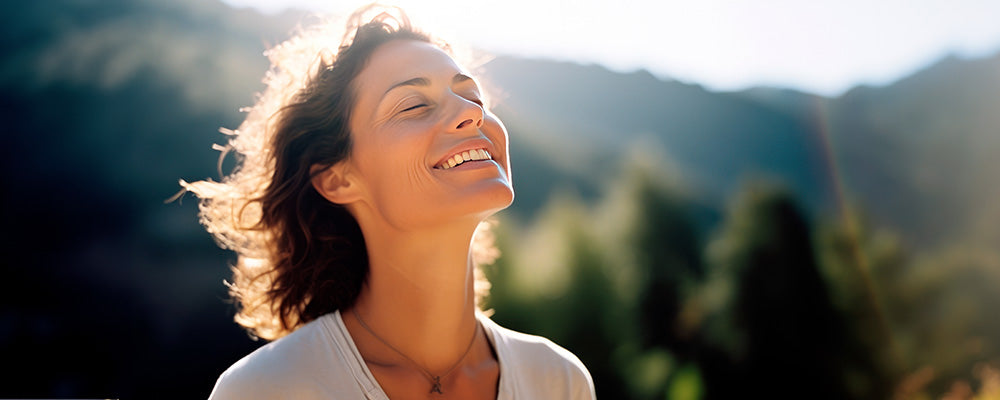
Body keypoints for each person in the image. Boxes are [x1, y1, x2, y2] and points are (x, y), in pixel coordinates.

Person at [181, 5, 595, 399]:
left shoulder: (559, 381)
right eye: (415, 105)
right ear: (338, 179)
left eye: (473, 97)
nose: (471, 114)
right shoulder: (266, 390)